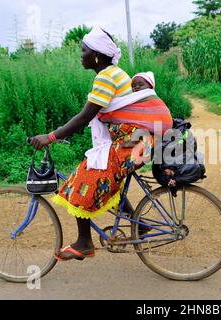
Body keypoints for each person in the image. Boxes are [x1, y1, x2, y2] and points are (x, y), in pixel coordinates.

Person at [29, 26, 172, 261]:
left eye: (84, 50)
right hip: (140, 142)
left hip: (134, 144)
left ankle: (84, 243)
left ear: (96, 55)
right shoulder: (116, 73)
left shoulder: (106, 77)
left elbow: (85, 117)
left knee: (81, 181)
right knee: (106, 179)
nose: (81, 55)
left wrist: (51, 136)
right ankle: (140, 224)